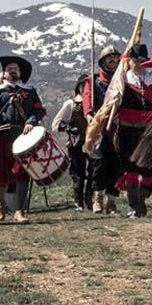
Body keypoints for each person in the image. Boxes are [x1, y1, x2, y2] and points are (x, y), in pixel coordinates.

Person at [0, 55, 46, 223]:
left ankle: (19, 211)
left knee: (23, 173)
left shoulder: (30, 92)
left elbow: (38, 111)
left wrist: (31, 122)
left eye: (15, 68)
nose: (12, 70)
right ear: (4, 72)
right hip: (0, 136)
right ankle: (1, 205)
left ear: (20, 72)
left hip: (22, 138)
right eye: (9, 68)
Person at [113, 44, 152, 218]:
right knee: (130, 168)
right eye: (135, 60)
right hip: (127, 129)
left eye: (142, 60)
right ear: (129, 61)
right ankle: (134, 206)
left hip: (149, 130)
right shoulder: (122, 80)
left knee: (150, 168)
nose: (138, 64)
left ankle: (142, 198)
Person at [82, 46, 121, 214]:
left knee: (116, 165)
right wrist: (89, 115)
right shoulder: (94, 80)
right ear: (103, 61)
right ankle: (97, 198)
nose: (112, 60)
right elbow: (87, 99)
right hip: (100, 129)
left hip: (117, 128)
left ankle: (111, 201)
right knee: (99, 165)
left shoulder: (122, 80)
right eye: (109, 58)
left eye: (115, 57)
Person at [52, 74, 91, 210]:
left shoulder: (96, 103)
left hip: (93, 141)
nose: (85, 88)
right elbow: (56, 124)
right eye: (83, 86)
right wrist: (69, 128)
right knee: (78, 174)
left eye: (88, 86)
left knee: (93, 172)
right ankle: (78, 201)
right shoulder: (71, 104)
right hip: (76, 142)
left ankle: (89, 200)